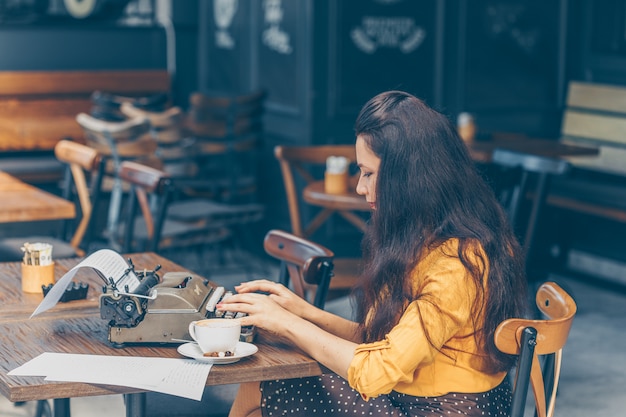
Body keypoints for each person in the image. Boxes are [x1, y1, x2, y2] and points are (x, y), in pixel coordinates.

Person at [218, 90, 528, 417]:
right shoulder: (429, 234)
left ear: (406, 177)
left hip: (443, 410)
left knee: (264, 384)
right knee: (267, 385)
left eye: (368, 173)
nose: (359, 187)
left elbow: (375, 370)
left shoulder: (457, 263)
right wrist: (301, 313)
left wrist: (287, 324)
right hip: (417, 398)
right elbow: (382, 343)